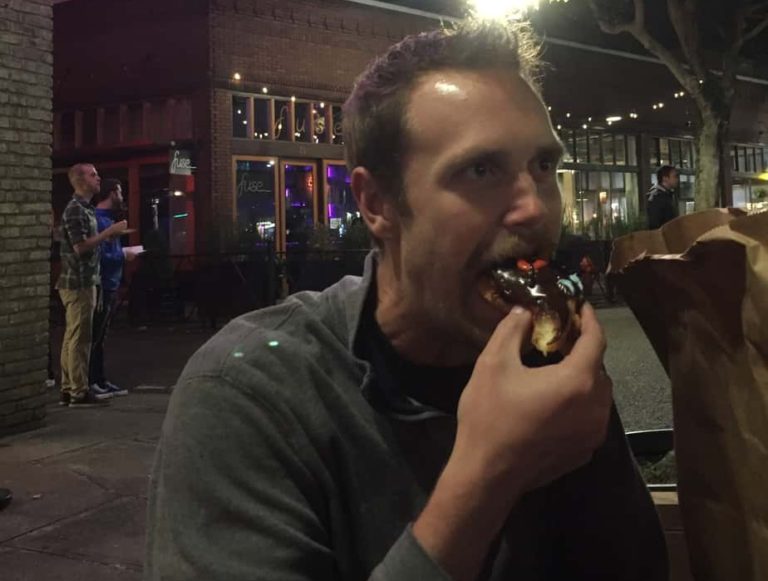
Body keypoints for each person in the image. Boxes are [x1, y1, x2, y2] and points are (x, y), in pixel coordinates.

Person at [146, 21, 668, 581]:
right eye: (482, 169)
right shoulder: (249, 396)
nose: (537, 209)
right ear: (376, 203)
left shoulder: (555, 365)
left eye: (543, 166)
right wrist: (485, 482)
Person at [57, 163, 127, 407]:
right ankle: (78, 391)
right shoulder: (76, 209)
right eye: (93, 174)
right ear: (80, 180)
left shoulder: (84, 208)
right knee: (80, 338)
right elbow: (80, 247)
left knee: (74, 336)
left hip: (85, 281)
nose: (98, 178)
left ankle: (70, 388)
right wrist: (109, 234)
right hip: (79, 282)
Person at [89, 178, 138, 396]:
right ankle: (93, 381)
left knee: (101, 336)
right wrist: (123, 254)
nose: (122, 197)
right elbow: (100, 256)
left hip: (111, 283)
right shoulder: (101, 221)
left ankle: (100, 379)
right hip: (104, 284)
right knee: (96, 336)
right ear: (111, 193)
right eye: (119, 192)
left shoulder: (107, 220)